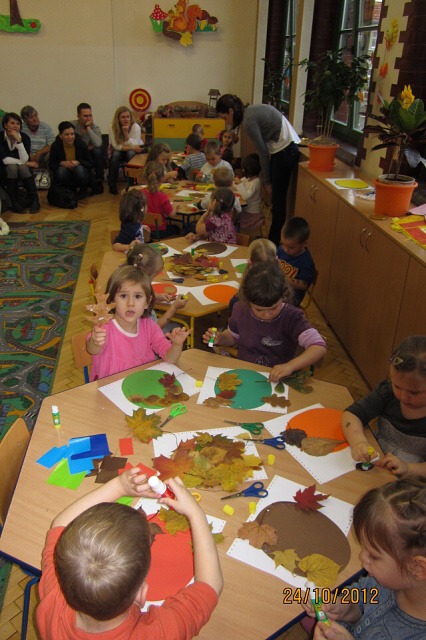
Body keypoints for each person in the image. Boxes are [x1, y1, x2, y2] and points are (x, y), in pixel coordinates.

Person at [36, 466, 223, 639]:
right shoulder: (157, 633)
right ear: (141, 594)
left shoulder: (54, 599)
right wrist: (195, 513)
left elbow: (60, 524)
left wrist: (118, 487)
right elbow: (210, 585)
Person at [302, 476, 426, 640]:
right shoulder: (385, 580)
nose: (362, 557)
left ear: (417, 568)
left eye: (373, 556)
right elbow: (363, 596)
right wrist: (346, 608)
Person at [203, 261, 326, 382]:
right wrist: (220, 338)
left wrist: (290, 366)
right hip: (245, 371)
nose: (267, 315)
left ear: (284, 295)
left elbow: (319, 347)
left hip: (278, 377)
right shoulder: (240, 309)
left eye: (274, 308)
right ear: (247, 299)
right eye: (259, 309)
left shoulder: (292, 317)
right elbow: (233, 337)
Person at [216, 94, 300, 245]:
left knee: (278, 202)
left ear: (230, 111)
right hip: (282, 149)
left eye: (224, 117)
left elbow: (263, 153)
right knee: (277, 201)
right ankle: (273, 240)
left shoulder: (248, 121)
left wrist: (267, 182)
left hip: (286, 150)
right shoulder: (249, 112)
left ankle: (273, 243)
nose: (226, 122)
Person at [86, 265, 190, 381]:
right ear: (112, 300)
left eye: (138, 296)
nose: (130, 303)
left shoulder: (150, 327)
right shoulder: (105, 327)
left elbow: (170, 358)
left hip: (142, 383)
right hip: (110, 386)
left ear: (147, 302)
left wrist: (176, 345)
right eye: (123, 296)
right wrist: (95, 342)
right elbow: (92, 349)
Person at [342, 335, 426, 476]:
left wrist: (408, 468)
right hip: (376, 467)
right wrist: (358, 442)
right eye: (397, 386)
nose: (403, 396)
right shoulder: (387, 393)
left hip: (412, 478)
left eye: (414, 392)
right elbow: (352, 414)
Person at [126, 244, 188, 332]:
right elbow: (156, 327)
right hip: (146, 335)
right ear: (146, 275)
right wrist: (174, 307)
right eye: (154, 276)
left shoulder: (128, 282)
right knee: (178, 327)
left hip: (132, 329)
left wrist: (158, 296)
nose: (153, 279)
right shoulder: (139, 301)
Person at [0, 112, 40, 213]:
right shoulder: (0, 137)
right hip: (3, 169)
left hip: (22, 169)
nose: (15, 126)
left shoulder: (25, 138)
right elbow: (4, 159)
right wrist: (26, 163)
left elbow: (24, 159)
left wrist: (19, 141)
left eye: (18, 123)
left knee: (23, 167)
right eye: (12, 123)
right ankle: (13, 201)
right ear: (5, 125)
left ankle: (35, 200)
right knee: (12, 167)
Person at [228, 237, 277, 312]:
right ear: (275, 261)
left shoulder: (238, 301)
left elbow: (235, 303)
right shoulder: (280, 283)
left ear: (250, 264)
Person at [277, 217, 316, 306]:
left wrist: (286, 280)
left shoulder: (306, 262)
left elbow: (305, 285)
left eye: (291, 247)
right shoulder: (281, 250)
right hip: (277, 289)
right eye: (283, 244)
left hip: (291, 298)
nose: (285, 249)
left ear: (304, 244)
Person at [49, 121, 93, 199]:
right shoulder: (55, 146)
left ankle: (83, 190)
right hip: (65, 173)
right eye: (66, 134)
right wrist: (61, 163)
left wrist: (78, 162)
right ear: (60, 135)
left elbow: (90, 163)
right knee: (61, 170)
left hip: (79, 172)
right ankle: (66, 191)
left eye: (72, 134)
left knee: (79, 169)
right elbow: (51, 165)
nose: (70, 137)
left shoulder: (81, 144)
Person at [108, 106, 145, 195]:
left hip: (133, 151)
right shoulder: (112, 126)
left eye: (128, 116)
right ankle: (112, 185)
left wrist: (126, 133)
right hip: (120, 150)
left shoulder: (135, 127)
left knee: (130, 154)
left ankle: (131, 185)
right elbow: (116, 146)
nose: (126, 119)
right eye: (123, 117)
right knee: (115, 155)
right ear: (118, 119)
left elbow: (135, 145)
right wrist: (131, 147)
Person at [71, 102, 104, 194]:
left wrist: (89, 128)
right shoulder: (71, 125)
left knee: (98, 151)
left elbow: (98, 144)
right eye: (85, 116)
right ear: (78, 116)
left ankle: (98, 181)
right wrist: (87, 147)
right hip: (75, 153)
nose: (88, 118)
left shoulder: (95, 127)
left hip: (90, 154)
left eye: (90, 115)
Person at [142, 161, 180, 239]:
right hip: (159, 231)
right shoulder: (162, 196)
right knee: (177, 228)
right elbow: (172, 215)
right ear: (162, 178)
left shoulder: (140, 193)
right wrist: (175, 207)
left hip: (143, 230)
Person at [234, 153, 263, 236]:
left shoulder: (256, 182)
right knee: (233, 216)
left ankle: (239, 237)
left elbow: (245, 196)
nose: (243, 170)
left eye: (244, 168)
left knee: (233, 220)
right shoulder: (248, 178)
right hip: (245, 211)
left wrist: (239, 184)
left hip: (251, 215)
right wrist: (236, 182)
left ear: (250, 169)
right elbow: (238, 184)